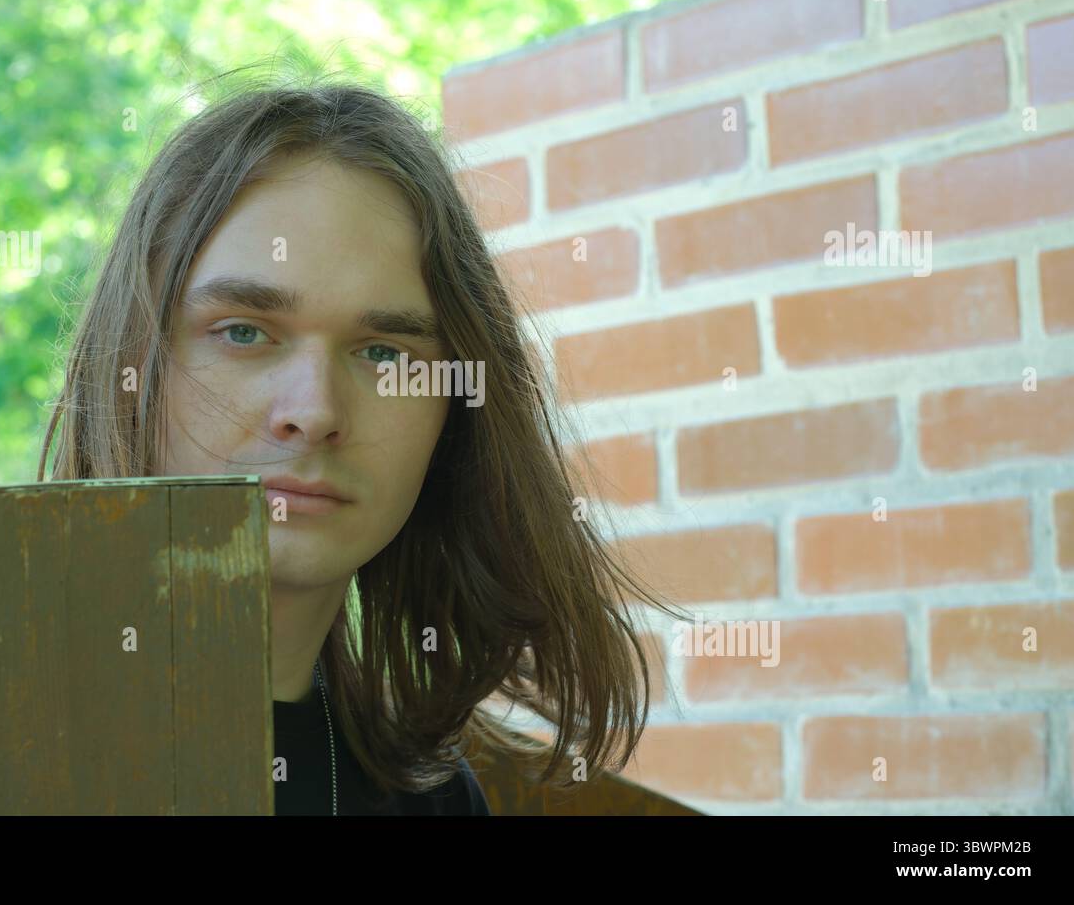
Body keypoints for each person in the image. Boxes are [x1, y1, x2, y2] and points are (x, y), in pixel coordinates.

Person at [36, 62, 685, 815]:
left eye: (384, 352)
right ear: (131, 364)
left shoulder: (432, 797)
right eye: (244, 332)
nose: (313, 412)